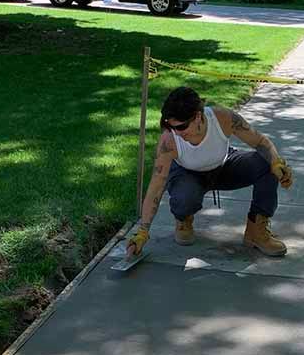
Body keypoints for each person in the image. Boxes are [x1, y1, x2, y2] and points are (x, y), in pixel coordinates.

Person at [126, 86, 294, 259]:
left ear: (198, 116)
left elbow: (261, 142)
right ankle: (183, 219)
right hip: (187, 173)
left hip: (223, 165)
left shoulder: (223, 118)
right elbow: (156, 185)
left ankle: (256, 231)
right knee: (185, 196)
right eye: (171, 126)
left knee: (265, 163)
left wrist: (276, 162)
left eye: (182, 127)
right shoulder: (169, 140)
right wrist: (142, 232)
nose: (177, 132)